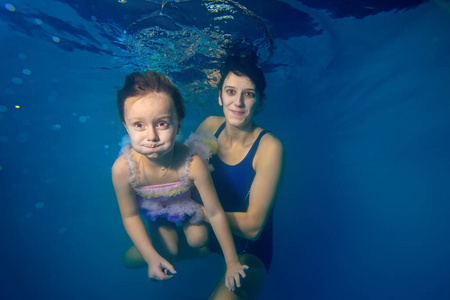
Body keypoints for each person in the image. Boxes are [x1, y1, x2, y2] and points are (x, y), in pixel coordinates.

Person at [112, 70, 248, 291]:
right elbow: (130, 215)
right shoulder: (123, 169)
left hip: (186, 202)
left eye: (162, 124)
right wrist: (150, 257)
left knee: (198, 240)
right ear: (125, 126)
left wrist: (232, 262)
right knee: (169, 250)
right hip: (156, 210)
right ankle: (165, 245)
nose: (151, 136)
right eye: (139, 125)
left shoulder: (193, 163)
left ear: (178, 124)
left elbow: (214, 212)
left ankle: (199, 245)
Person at [195, 55, 284, 299]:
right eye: (231, 91)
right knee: (132, 257)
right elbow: (184, 176)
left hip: (250, 250)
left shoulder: (269, 147)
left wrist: (201, 214)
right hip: (210, 234)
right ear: (220, 96)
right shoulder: (210, 126)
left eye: (249, 94)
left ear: (259, 102)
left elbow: (254, 227)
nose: (238, 102)